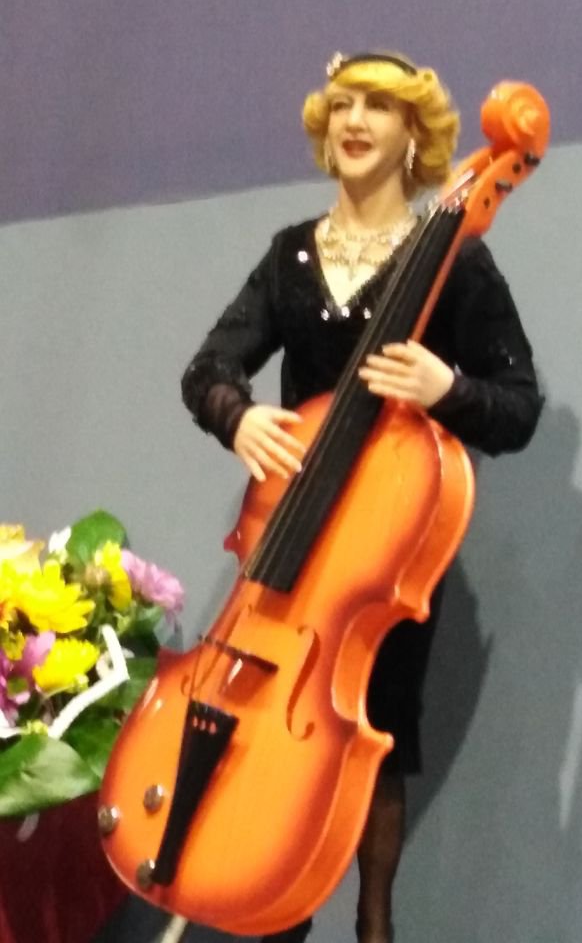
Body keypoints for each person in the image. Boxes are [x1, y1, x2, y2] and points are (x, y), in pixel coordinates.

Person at [181, 51, 543, 943]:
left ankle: (374, 924)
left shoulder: (454, 260)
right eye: (341, 104)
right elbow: (209, 368)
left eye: (377, 107)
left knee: (376, 737)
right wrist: (237, 418)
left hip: (384, 550)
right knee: (268, 733)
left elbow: (518, 406)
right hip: (291, 541)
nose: (353, 121)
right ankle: (270, 906)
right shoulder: (291, 255)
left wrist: (445, 389)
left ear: (413, 133)